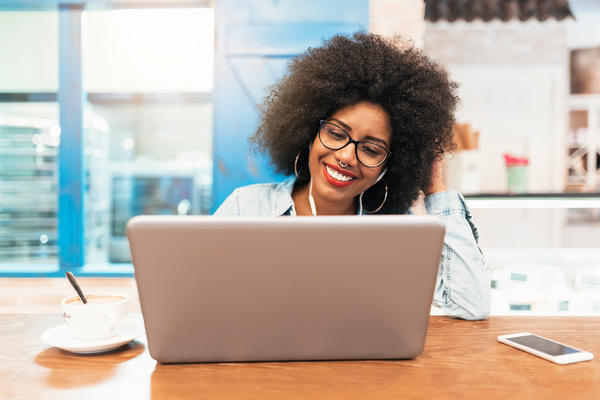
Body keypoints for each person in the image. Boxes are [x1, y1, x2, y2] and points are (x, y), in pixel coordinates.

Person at [214, 32, 490, 320]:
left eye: (371, 150)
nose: (346, 156)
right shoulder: (245, 209)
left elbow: (471, 305)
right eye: (335, 133)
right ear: (309, 132)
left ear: (389, 167)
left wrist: (436, 187)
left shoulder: (398, 232)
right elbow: (201, 299)